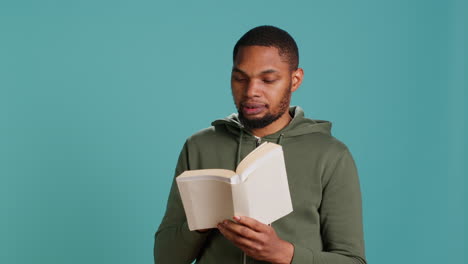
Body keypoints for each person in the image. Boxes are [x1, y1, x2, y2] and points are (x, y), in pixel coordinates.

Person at [154, 25, 366, 264]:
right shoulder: (199, 146)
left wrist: (284, 253)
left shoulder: (331, 155)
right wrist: (201, 222)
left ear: (294, 80)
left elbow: (353, 260)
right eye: (240, 78)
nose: (251, 91)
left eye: (268, 80)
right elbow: (165, 258)